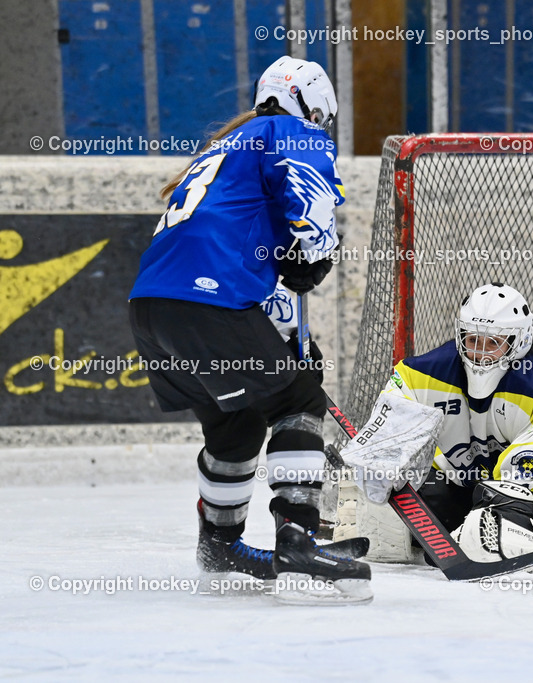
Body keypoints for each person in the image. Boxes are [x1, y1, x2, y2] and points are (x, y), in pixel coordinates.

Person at [128, 56, 371, 603]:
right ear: (311, 107)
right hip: (205, 303)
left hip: (153, 309)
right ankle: (299, 539)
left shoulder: (222, 152)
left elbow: (228, 259)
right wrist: (315, 250)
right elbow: (307, 200)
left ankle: (221, 545)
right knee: (298, 401)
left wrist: (284, 342)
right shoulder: (289, 131)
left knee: (235, 427)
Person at [351, 282, 533, 563]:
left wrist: (494, 517)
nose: (481, 353)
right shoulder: (420, 374)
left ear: (518, 342)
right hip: (478, 473)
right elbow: (390, 423)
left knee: (506, 508)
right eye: (473, 340)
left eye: (493, 343)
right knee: (425, 496)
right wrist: (382, 459)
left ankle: (512, 532)